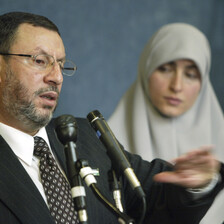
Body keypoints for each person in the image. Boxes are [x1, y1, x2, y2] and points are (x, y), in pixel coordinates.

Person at [0, 12, 223, 224]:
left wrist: (199, 184)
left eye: (60, 64)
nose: (56, 77)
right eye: (40, 61)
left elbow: (153, 198)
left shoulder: (84, 135)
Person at [108, 23, 224, 223]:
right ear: (146, 70)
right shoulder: (102, 144)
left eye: (190, 74)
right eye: (165, 69)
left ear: (203, 83)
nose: (176, 86)